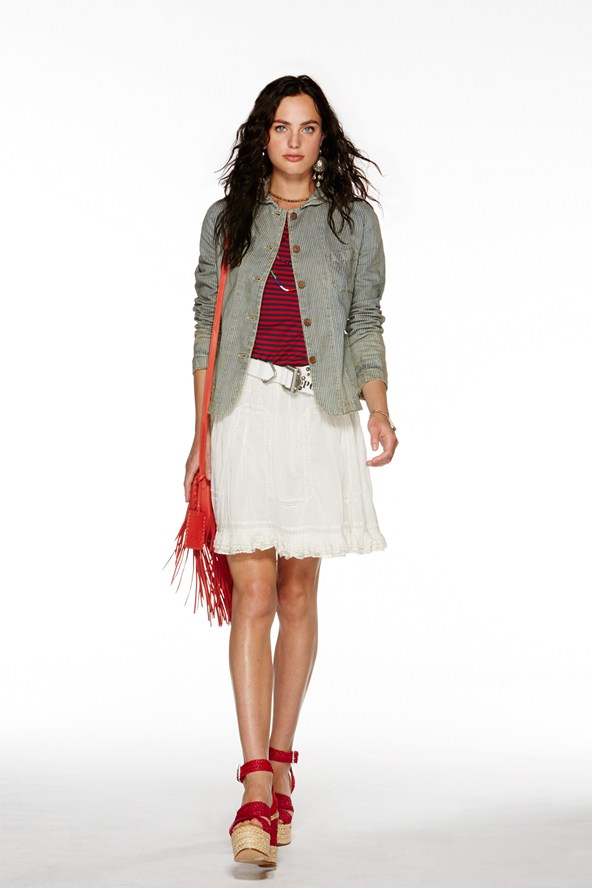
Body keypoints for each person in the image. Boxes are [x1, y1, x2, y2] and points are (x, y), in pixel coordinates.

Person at [183, 74, 398, 868]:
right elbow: (205, 326)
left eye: (308, 128)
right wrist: (199, 438)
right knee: (254, 593)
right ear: (263, 137)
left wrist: (379, 408)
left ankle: (282, 762)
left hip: (320, 414)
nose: (295, 141)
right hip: (243, 413)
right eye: (282, 127)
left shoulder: (353, 222)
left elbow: (365, 321)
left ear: (324, 138)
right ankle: (253, 787)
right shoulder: (226, 220)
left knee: (298, 591)